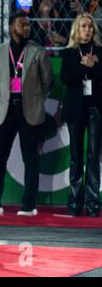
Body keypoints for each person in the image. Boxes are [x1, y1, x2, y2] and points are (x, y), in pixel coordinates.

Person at [0, 11, 53, 216]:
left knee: (31, 157)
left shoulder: (38, 52)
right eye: (22, 25)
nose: (26, 28)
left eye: (28, 25)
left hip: (30, 109)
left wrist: (36, 99)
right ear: (12, 27)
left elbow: (48, 82)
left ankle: (29, 204)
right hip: (4, 110)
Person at [61, 13, 102, 217]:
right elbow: (66, 78)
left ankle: (93, 203)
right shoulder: (69, 53)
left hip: (96, 108)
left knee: (94, 156)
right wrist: (83, 65)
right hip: (75, 109)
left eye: (91, 27)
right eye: (84, 26)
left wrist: (95, 66)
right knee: (76, 156)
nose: (88, 30)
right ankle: (75, 203)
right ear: (77, 29)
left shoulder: (100, 52)